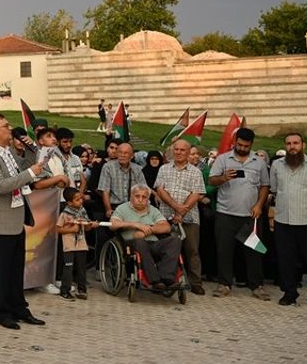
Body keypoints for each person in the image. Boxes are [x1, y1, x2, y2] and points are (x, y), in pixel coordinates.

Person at [0, 114, 45, 329]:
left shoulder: (7, 152)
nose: (10, 129)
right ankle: (3, 312)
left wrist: (31, 149)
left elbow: (25, 166)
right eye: (6, 126)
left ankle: (19, 308)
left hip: (15, 219)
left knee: (16, 269)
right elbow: (2, 185)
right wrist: (29, 173)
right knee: (2, 270)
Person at [207, 128, 271, 299]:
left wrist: (259, 205)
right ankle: (224, 284)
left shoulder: (259, 162)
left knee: (254, 252)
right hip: (225, 214)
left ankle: (257, 285)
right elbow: (211, 180)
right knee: (224, 250)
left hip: (251, 216)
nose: (242, 148)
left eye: (246, 146)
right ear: (235, 141)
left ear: (251, 144)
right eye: (240, 145)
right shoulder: (222, 159)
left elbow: (264, 185)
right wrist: (224, 178)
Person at [271, 132, 307, 309]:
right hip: (284, 220)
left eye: (296, 143)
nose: (292, 147)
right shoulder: (277, 165)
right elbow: (275, 190)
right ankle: (289, 294)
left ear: (303, 145)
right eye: (288, 143)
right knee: (286, 259)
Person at [154, 139, 207, 295]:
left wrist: (181, 212)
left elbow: (196, 194)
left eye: (182, 150)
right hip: (165, 216)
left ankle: (195, 282)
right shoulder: (164, 169)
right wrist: (176, 207)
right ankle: (164, 281)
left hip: (189, 218)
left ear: (188, 152)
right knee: (166, 250)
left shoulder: (195, 172)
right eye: (176, 149)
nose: (178, 152)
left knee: (192, 250)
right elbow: (160, 190)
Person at [109, 184, 181, 289]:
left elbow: (166, 227)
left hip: (153, 243)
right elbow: (113, 225)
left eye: (144, 197)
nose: (140, 200)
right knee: (139, 240)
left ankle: (167, 278)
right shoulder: (122, 208)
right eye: (137, 196)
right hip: (131, 244)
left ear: (148, 198)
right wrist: (135, 225)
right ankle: (155, 280)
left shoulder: (153, 210)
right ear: (131, 196)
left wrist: (149, 230)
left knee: (174, 240)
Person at [56, 188, 95, 300]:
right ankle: (65, 290)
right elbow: (58, 229)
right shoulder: (65, 214)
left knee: (81, 268)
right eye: (77, 200)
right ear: (69, 202)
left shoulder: (82, 211)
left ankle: (81, 289)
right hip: (69, 245)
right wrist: (71, 230)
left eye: (81, 199)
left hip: (81, 244)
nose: (81, 201)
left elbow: (87, 228)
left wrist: (90, 225)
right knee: (68, 267)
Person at [98, 142, 142, 218]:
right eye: (120, 152)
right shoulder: (108, 167)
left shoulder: (137, 169)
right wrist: (108, 209)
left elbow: (143, 189)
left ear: (132, 156)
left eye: (126, 153)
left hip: (133, 207)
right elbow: (105, 191)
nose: (122, 155)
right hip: (115, 207)